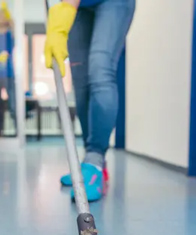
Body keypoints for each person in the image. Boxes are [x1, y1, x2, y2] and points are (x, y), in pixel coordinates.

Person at [45, 0, 136, 201]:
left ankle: (95, 161)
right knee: (81, 81)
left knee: (100, 69)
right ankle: (90, 163)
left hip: (113, 3)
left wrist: (66, 10)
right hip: (79, 7)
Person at [0, 1, 17, 137]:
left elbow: (14, 30)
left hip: (9, 75)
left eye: (3, 16)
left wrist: (6, 11)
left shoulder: (9, 36)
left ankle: (18, 133)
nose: (1, 18)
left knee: (13, 105)